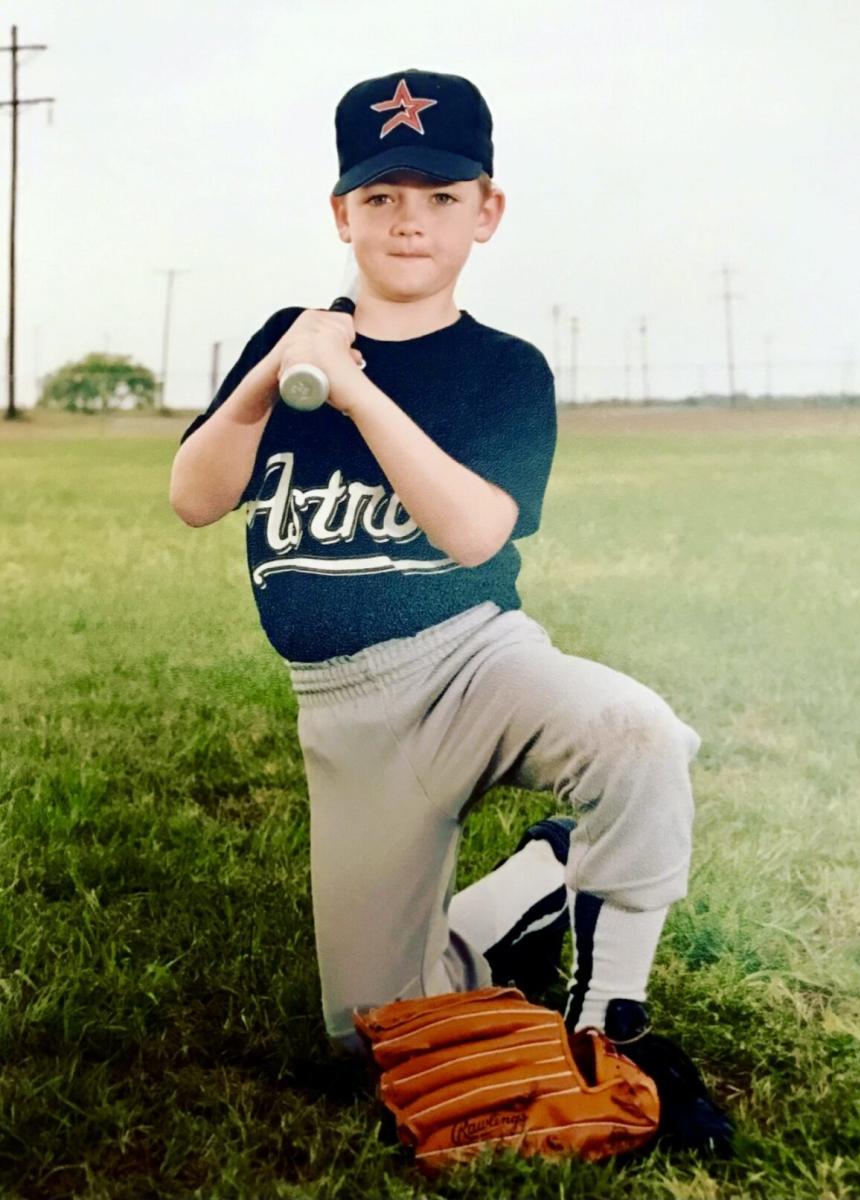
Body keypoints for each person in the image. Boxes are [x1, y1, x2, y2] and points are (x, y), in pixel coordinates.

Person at [169, 68, 732, 1153]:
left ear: (487, 210)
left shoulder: (502, 368)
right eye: (381, 198)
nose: (408, 220)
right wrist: (269, 377)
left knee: (637, 734)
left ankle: (611, 1014)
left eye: (438, 195)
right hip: (346, 714)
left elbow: (475, 531)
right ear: (342, 213)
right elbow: (196, 498)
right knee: (371, 1039)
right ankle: (530, 884)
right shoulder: (284, 342)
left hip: (478, 663)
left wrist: (358, 389)